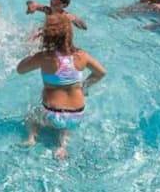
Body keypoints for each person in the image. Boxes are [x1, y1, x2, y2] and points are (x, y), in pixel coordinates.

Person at [17, 14, 106, 159]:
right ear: (69, 36)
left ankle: (31, 138)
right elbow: (101, 72)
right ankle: (62, 146)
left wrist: (30, 51)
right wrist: (84, 86)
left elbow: (20, 70)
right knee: (66, 122)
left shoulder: (44, 57)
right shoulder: (81, 55)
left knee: (31, 115)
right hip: (77, 114)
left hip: (51, 113)